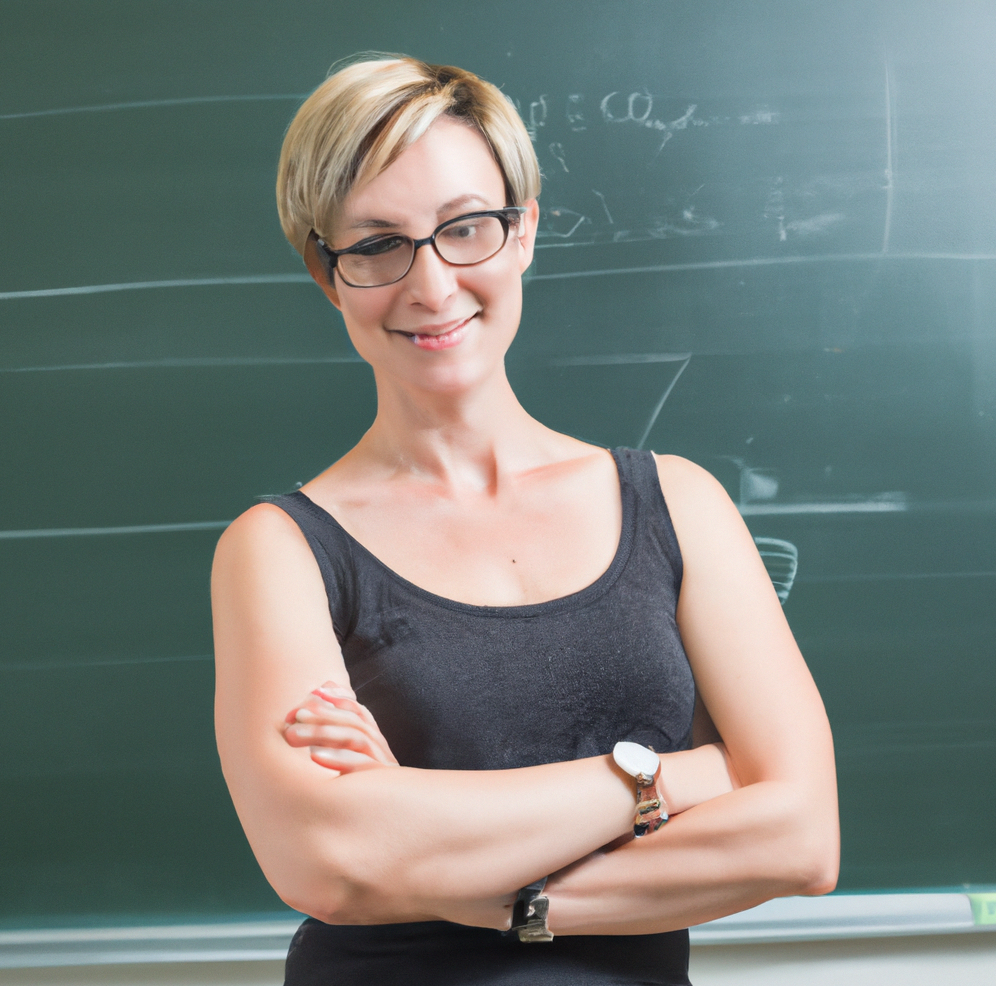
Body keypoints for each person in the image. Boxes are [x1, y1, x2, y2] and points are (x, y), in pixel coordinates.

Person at [211, 55, 839, 986]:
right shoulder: (280, 550)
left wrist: (469, 868)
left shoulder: (677, 503)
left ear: (524, 232)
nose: (430, 287)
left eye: (464, 228)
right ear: (326, 272)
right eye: (377, 245)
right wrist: (664, 778)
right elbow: (331, 865)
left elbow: (800, 837)